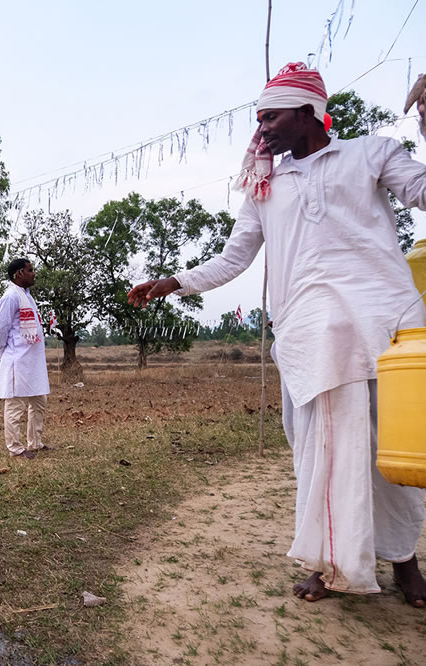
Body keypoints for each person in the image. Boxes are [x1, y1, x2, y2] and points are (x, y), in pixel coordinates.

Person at [127, 62, 426, 607]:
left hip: (383, 325)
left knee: (388, 450)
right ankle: (327, 565)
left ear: (309, 113)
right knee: (316, 452)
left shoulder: (372, 154)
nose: (262, 128)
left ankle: (404, 562)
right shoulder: (266, 186)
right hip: (309, 334)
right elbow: (234, 257)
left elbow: (422, 193)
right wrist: (174, 281)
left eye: (272, 116)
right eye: (259, 118)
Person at [0, 258, 50, 459]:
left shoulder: (27, 296)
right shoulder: (10, 297)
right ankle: (15, 449)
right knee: (15, 407)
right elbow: (1, 329)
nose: (34, 273)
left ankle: (35, 442)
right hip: (18, 360)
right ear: (18, 274)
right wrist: (1, 353)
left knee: (39, 403)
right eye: (30, 270)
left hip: (33, 362)